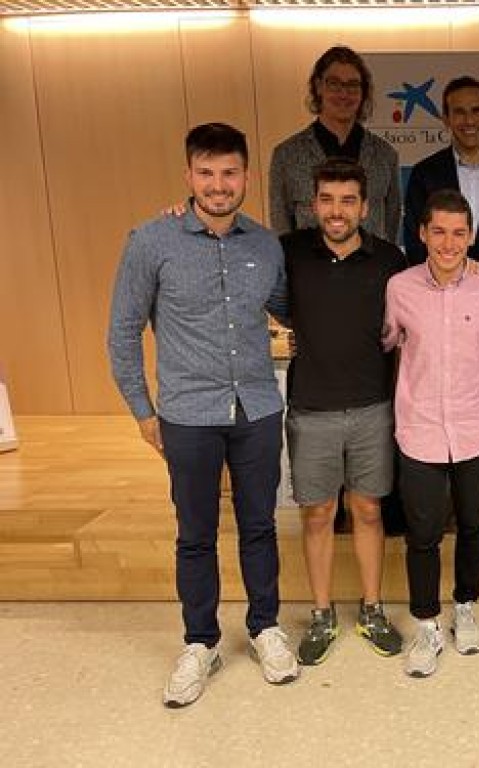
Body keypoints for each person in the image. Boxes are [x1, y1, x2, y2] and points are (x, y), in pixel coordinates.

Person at [108, 123, 298, 708]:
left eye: (229, 173)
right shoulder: (151, 241)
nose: (219, 185)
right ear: (188, 175)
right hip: (188, 414)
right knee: (195, 533)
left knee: (260, 525)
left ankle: (265, 627)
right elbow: (122, 333)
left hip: (257, 408)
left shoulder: (265, 245)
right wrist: (144, 414)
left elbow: (293, 306)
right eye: (207, 173)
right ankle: (200, 642)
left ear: (246, 177)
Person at [281, 159, 406, 665]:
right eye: (328, 200)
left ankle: (372, 609)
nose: (337, 211)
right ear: (314, 204)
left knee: (368, 509)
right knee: (318, 513)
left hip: (373, 406)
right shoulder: (289, 252)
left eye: (348, 200)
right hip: (311, 408)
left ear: (365, 207)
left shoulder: (390, 259)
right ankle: (321, 613)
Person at [384, 189, 479, 678]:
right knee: (423, 533)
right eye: (438, 232)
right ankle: (428, 624)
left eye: (458, 233)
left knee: (473, 523)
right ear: (422, 234)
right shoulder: (399, 288)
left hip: (475, 428)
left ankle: (466, 606)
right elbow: (385, 342)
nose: (448, 243)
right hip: (420, 430)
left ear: (471, 236)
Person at [402, 76, 479, 532]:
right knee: (443, 396)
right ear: (445, 117)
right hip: (438, 304)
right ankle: (452, 498)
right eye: (459, 111)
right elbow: (414, 240)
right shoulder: (425, 172)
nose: (469, 120)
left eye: (477, 110)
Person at [269, 45, 400, 241]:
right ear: (318, 86)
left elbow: (391, 226)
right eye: (334, 84)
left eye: (352, 85)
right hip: (308, 261)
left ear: (363, 92)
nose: (344, 94)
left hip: (372, 261)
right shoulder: (286, 155)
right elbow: (282, 230)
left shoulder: (385, 155)